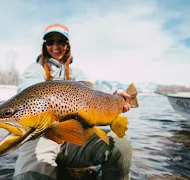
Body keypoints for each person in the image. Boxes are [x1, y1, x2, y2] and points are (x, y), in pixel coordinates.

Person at [13, 24, 133, 180]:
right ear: (45, 45)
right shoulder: (35, 70)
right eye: (50, 41)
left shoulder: (77, 74)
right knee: (31, 176)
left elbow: (93, 99)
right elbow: (28, 93)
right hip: (41, 136)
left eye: (60, 41)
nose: (55, 46)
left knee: (121, 144)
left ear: (67, 45)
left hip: (74, 137)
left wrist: (114, 98)